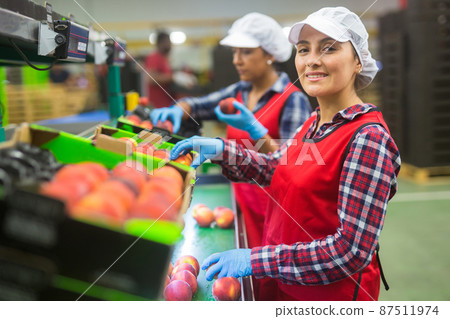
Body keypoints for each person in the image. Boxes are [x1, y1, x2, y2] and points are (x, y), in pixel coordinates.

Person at [170, 7, 401, 301]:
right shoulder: (314, 122)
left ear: (358, 62)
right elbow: (273, 167)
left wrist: (258, 260)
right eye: (304, 49)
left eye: (329, 49)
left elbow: (350, 252)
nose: (312, 60)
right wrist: (221, 151)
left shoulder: (367, 139)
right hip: (284, 285)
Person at [152, 13, 312, 254]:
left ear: (269, 54)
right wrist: (179, 109)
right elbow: (199, 105)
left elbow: (291, 164)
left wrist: (257, 132)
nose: (237, 60)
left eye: (246, 52)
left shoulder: (293, 101)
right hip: (239, 198)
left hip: (274, 210)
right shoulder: (240, 91)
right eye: (235, 52)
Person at [145, 31, 174, 108]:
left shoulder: (165, 59)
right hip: (158, 106)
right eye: (167, 42)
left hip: (167, 104)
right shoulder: (154, 57)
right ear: (160, 43)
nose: (170, 45)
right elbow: (150, 79)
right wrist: (173, 78)